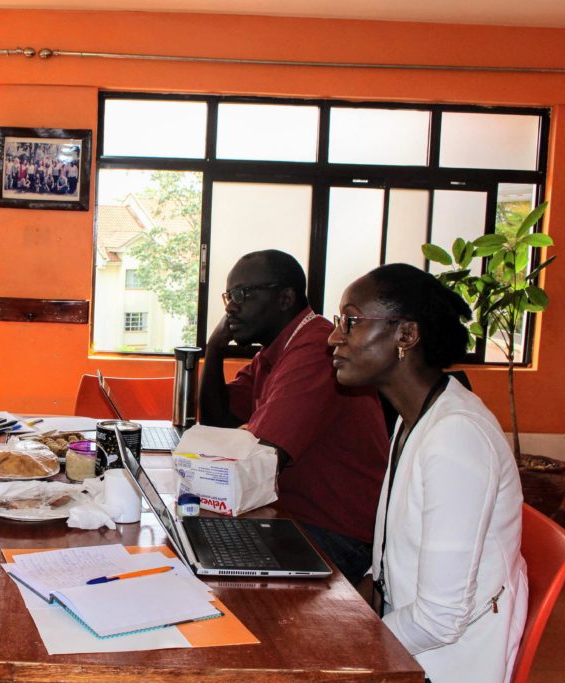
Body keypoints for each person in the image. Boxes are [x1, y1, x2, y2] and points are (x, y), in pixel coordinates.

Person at [328, 263, 526, 683]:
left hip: (443, 664)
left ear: (406, 335)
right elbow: (382, 570)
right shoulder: (412, 417)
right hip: (406, 641)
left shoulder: (456, 437)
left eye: (351, 321)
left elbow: (440, 620)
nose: (334, 338)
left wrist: (341, 648)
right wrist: (330, 621)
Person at [198, 249, 388, 583]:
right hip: (286, 514)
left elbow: (260, 461)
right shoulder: (275, 351)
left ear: (285, 297)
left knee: (214, 578)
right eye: (229, 295)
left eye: (243, 294)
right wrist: (214, 348)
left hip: (335, 532)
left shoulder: (317, 349)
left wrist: (236, 440)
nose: (230, 306)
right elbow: (218, 421)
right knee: (194, 547)